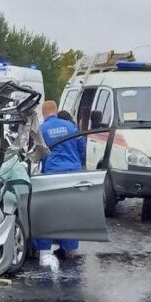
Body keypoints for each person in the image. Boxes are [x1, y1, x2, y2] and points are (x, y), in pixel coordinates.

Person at [35, 101, 86, 261]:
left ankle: (43, 249)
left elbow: (37, 154)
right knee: (70, 211)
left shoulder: (41, 129)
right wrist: (75, 161)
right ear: (56, 111)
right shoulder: (70, 126)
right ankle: (69, 249)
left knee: (48, 213)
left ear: (43, 113)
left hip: (52, 175)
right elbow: (82, 147)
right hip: (72, 174)